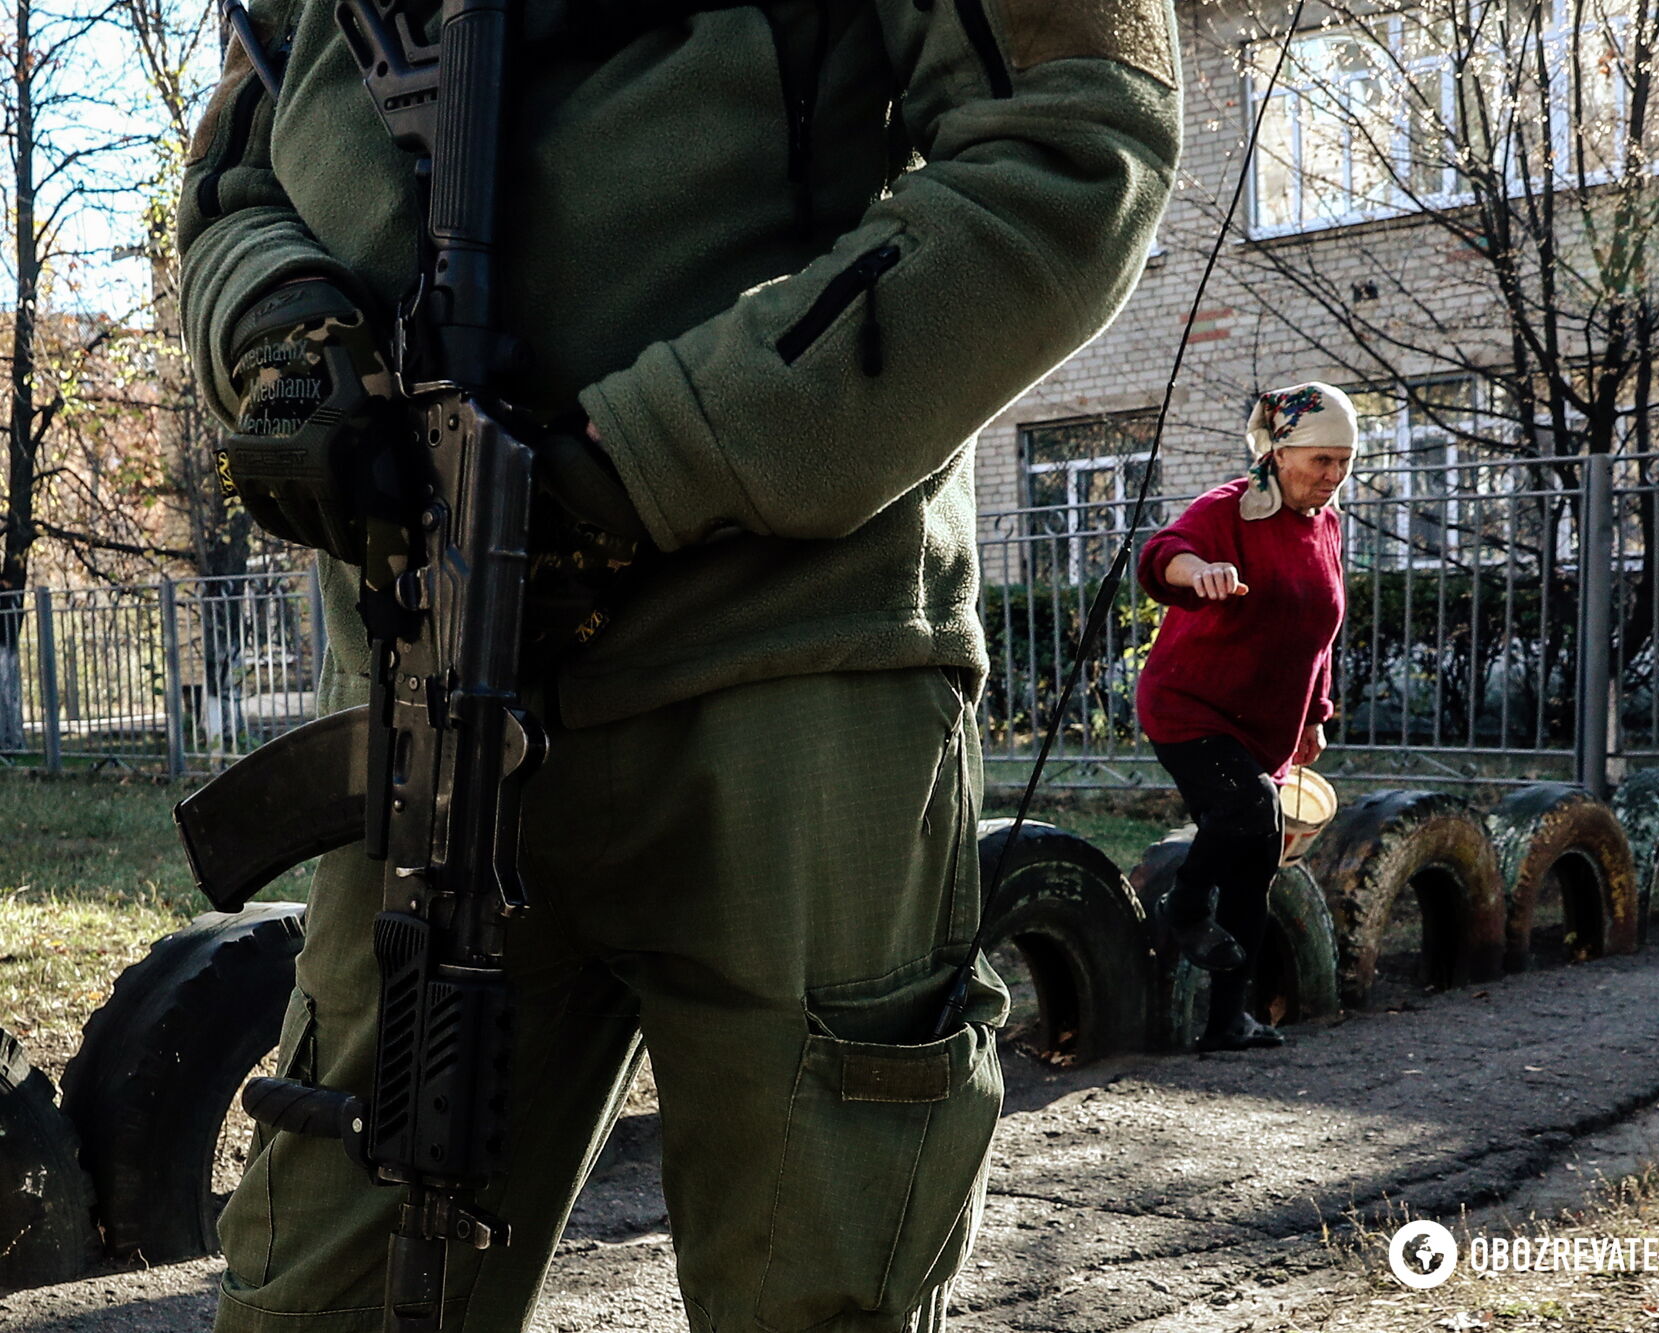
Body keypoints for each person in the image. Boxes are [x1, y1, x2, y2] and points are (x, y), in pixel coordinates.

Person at [177, 3, 1181, 1330]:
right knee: (325, 1298)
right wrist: (285, 340)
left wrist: (651, 451)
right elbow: (235, 178)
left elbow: (1074, 145)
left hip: (786, 682)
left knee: (814, 1292)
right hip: (426, 688)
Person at [1135, 383, 1356, 1052]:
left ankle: (1228, 1020)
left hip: (1261, 723)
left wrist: (1315, 713)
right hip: (1188, 704)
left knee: (1258, 864)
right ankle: (1182, 903)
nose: (1332, 476)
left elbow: (1318, 628)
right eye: (1320, 460)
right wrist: (1195, 572)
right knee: (1249, 810)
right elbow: (1162, 552)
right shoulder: (1231, 508)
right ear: (1280, 452)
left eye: (1343, 462)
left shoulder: (1327, 524)